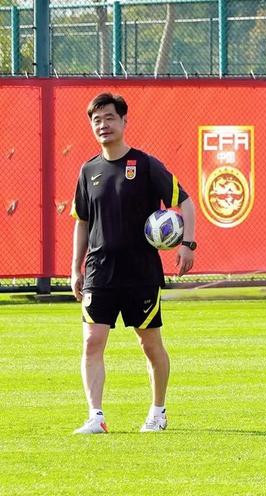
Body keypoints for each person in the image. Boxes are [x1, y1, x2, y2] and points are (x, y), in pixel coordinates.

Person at [70, 92, 197, 434]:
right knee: (92, 341)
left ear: (124, 121)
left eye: (110, 118)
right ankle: (95, 416)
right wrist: (75, 268)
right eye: (97, 120)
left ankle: (158, 412)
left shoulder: (145, 164)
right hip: (99, 271)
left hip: (141, 272)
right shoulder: (88, 170)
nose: (103, 125)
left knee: (149, 343)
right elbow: (82, 221)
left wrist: (188, 244)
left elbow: (185, 203)